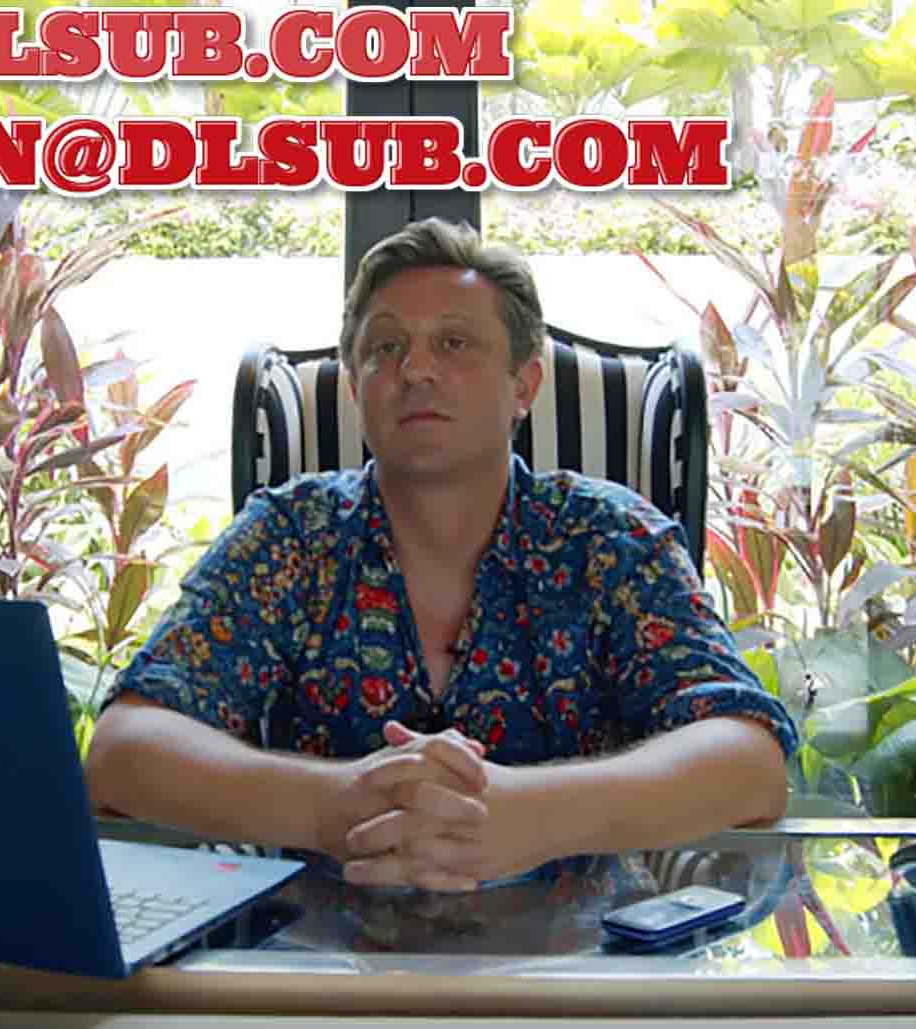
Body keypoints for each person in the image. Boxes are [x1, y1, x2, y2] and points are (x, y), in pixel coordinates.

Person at [85, 218, 797, 894]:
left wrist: (528, 817)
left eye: (454, 343)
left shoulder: (612, 541)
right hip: (310, 959)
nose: (416, 369)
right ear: (356, 387)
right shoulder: (291, 537)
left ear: (524, 385)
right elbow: (123, 751)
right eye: (385, 347)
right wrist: (334, 805)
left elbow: (748, 760)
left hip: (581, 960)